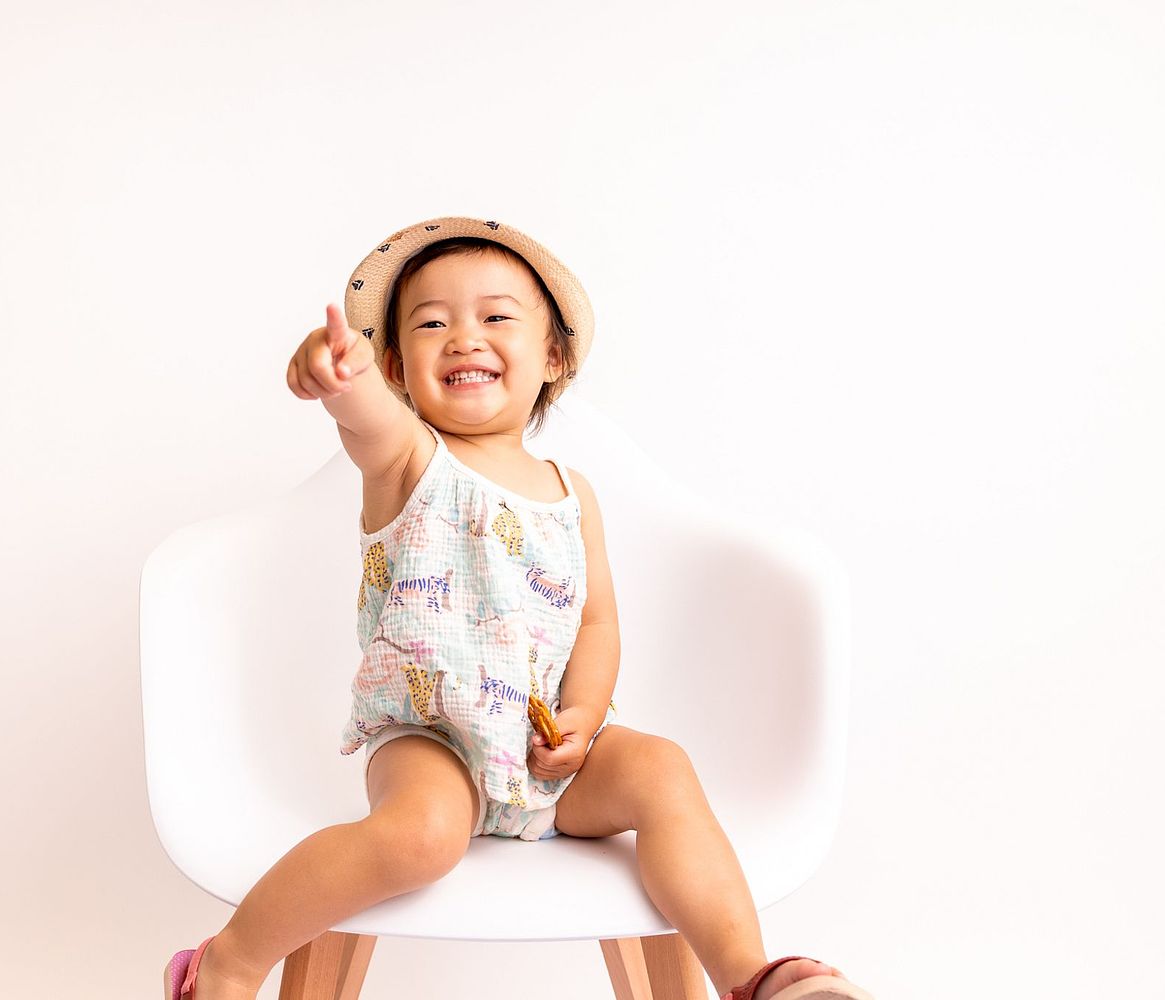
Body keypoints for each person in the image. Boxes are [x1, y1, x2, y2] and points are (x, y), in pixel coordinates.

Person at [164, 216, 876, 1000]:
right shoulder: (407, 459)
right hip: (433, 737)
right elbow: (366, 419)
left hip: (550, 756)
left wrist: (583, 715)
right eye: (432, 323)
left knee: (663, 768)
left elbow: (597, 622)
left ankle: (755, 977)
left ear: (553, 357)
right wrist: (342, 378)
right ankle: (227, 962)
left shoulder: (575, 494)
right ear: (399, 367)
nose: (464, 337)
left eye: (496, 317)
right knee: (423, 837)